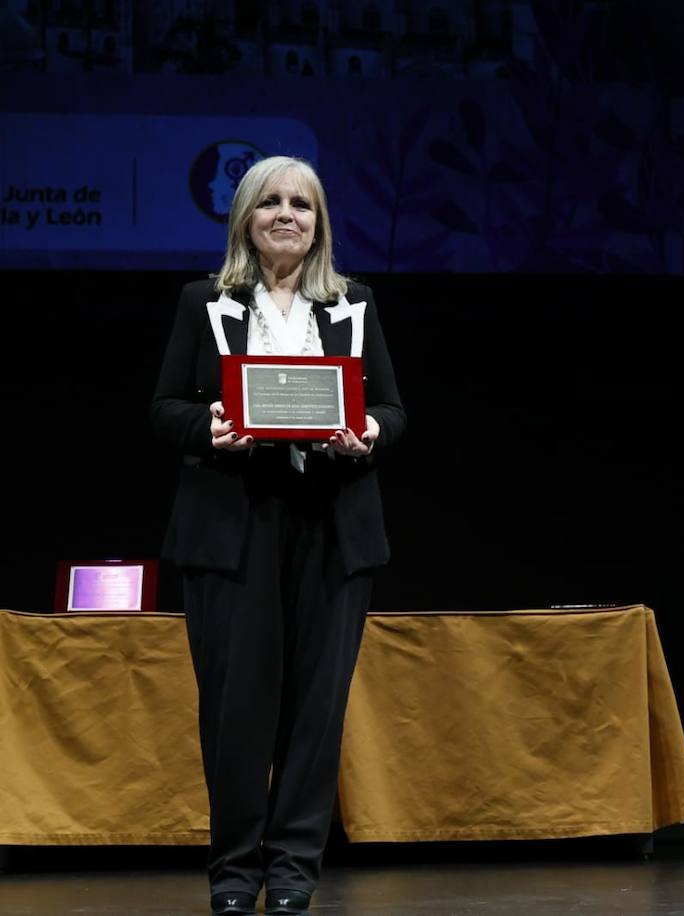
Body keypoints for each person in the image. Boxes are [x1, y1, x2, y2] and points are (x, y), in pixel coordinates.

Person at [150, 156, 405, 914]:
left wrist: (367, 434)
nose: (287, 214)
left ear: (319, 222)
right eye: (271, 203)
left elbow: (392, 410)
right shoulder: (206, 302)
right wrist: (210, 427)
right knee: (235, 710)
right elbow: (164, 407)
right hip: (233, 528)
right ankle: (234, 877)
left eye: (302, 204)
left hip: (332, 527)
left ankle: (293, 874)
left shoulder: (355, 304)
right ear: (246, 220)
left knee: (315, 714)